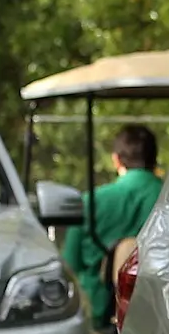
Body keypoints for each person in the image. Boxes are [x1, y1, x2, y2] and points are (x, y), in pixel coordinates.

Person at [63, 124, 163, 323]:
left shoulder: (90, 202)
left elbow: (69, 265)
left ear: (116, 160)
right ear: (154, 158)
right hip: (158, 314)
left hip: (98, 315)